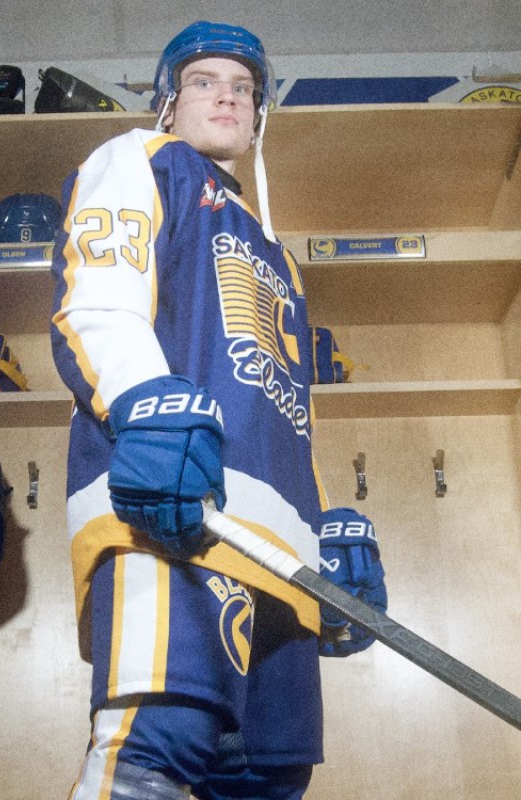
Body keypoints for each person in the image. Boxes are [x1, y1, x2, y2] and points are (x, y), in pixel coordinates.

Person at [51, 20, 387, 800]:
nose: (228, 96)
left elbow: (282, 414)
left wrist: (321, 531)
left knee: (268, 775)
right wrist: (143, 401)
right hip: (173, 513)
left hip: (276, 550)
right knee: (153, 753)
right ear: (169, 101)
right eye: (204, 81)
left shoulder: (280, 258)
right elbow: (97, 299)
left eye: (244, 88)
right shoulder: (142, 160)